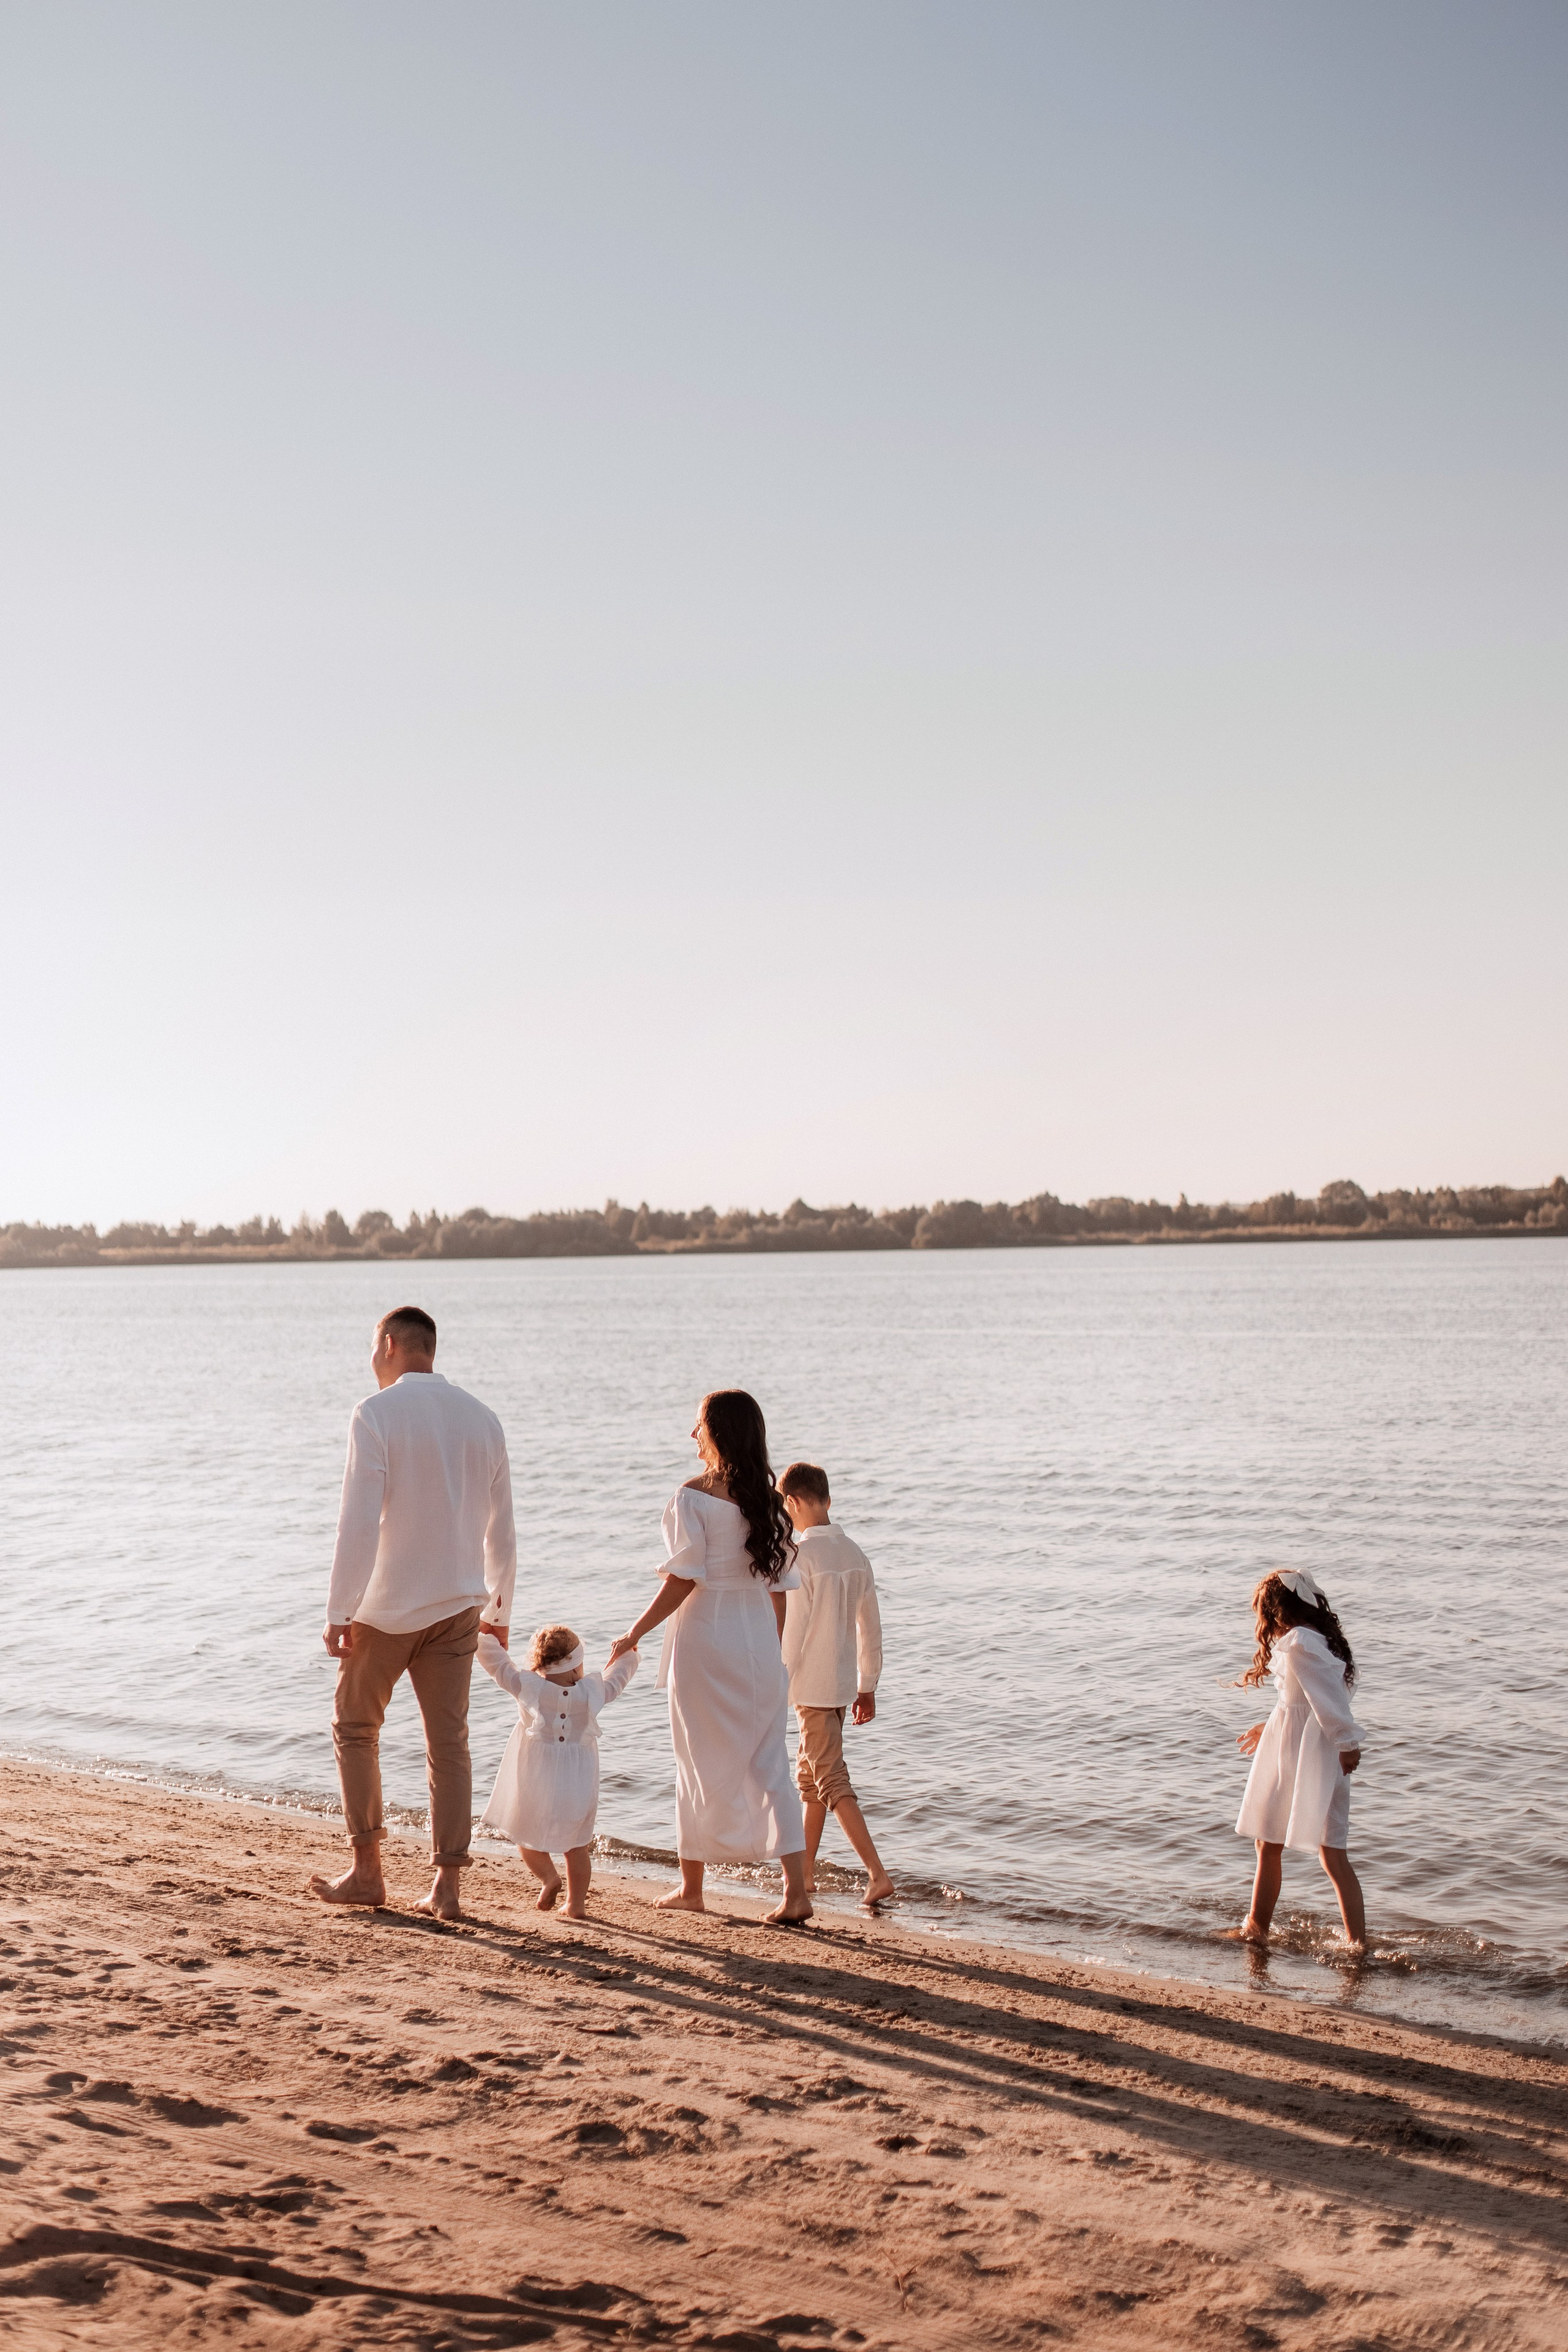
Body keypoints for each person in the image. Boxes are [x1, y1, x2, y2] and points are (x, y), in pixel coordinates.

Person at [309, 1305, 516, 1923]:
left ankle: (368, 1872)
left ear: (392, 1344)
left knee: (354, 1728)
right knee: (448, 1743)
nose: (372, 1361)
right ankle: (448, 1888)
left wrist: (340, 1607)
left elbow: (358, 1520)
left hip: (386, 1608)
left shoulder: (375, 1414)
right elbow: (502, 1527)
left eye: (375, 1350)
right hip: (459, 1604)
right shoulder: (483, 1419)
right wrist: (500, 1605)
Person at [606, 1389, 812, 1926]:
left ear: (717, 1432)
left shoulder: (692, 1499)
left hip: (705, 1638)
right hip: (758, 1641)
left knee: (694, 1760)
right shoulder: (769, 1503)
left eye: (698, 1425)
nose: (691, 1434)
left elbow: (682, 1580)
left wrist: (633, 1633)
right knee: (770, 1764)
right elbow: (779, 1590)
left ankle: (692, 1887)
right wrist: (772, 1650)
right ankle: (796, 1892)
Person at [1233, 1568, 1368, 1953]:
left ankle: (1258, 1931)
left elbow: (1329, 1702)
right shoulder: (1317, 1639)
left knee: (1279, 1844)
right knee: (1320, 1849)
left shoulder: (1300, 1643)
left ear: (1274, 1611)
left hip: (1307, 1752)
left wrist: (1348, 1743)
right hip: (1301, 1743)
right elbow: (1304, 1698)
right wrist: (1270, 1724)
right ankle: (1357, 1945)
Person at [778, 1461, 894, 1908]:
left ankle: (877, 1874)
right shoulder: (855, 1553)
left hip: (811, 1686)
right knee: (811, 1779)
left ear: (792, 1503)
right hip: (843, 1685)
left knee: (830, 1781)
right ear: (826, 1499)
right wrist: (868, 1685)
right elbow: (872, 1628)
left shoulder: (802, 1558)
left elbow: (796, 1632)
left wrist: (777, 1682)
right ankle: (804, 1874)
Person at [475, 1621, 638, 1919]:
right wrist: (629, 1655)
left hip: (536, 1775)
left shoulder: (527, 1687)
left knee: (526, 1836)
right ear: (578, 1667)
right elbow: (618, 1678)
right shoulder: (593, 1691)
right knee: (577, 1845)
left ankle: (549, 1878)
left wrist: (486, 1636)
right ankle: (576, 1905)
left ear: (540, 1665)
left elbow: (497, 1665)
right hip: (577, 1779)